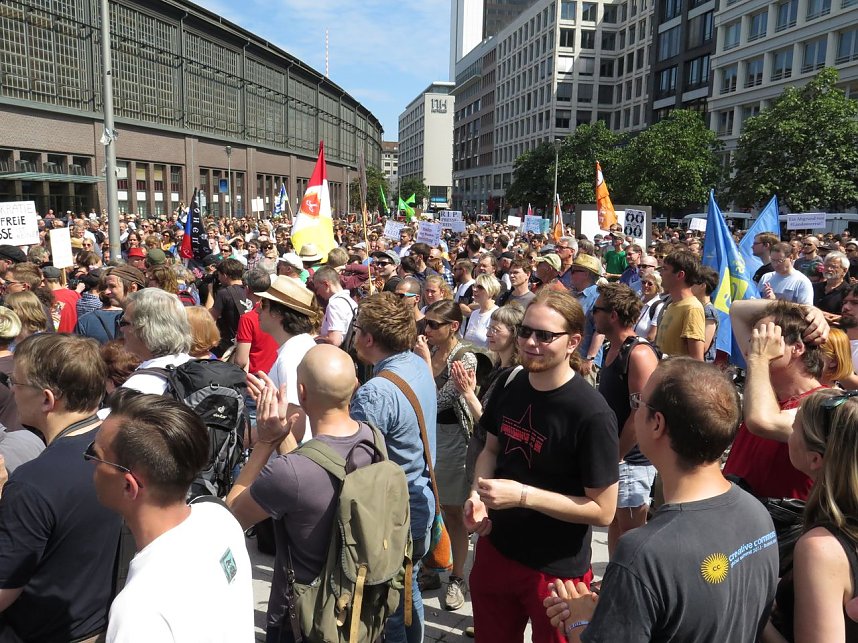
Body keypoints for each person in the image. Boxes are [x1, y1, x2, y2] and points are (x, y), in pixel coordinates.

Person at [544, 358, 779, 643]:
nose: (635, 408)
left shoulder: (643, 552)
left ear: (657, 423)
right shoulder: (756, 511)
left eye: (639, 402)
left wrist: (579, 620)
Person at [465, 289, 619, 643]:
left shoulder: (591, 414)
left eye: (545, 335)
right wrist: (478, 495)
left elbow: (603, 510)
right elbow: (490, 449)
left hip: (555, 569)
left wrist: (522, 496)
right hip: (496, 548)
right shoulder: (509, 381)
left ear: (572, 342)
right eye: (525, 331)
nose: (531, 342)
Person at [228, 345, 375, 642]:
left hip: (303, 616)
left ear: (302, 393)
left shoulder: (290, 474)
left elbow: (233, 515)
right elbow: (313, 473)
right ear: (355, 385)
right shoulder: (371, 439)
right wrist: (284, 436)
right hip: (356, 603)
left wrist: (266, 443)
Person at [92, 393, 254, 642]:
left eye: (96, 457)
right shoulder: (218, 519)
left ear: (129, 486)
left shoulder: (139, 612)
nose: (89, 464)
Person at [0, 334, 121, 641]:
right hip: (99, 623)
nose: (11, 389)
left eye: (16, 381)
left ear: (47, 399)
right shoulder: (123, 446)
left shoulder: (32, 482)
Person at [349, 292, 437, 643]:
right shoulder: (415, 362)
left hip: (394, 513)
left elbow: (356, 462)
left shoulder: (376, 392)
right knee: (407, 590)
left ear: (368, 339)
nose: (353, 335)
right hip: (421, 499)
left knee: (392, 608)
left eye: (357, 330)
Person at [759, 388, 858, 642]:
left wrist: (755, 613)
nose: (789, 433)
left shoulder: (821, 549)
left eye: (795, 427)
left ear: (815, 459)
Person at [723, 299, 827, 500]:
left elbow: (762, 421)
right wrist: (805, 310)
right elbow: (737, 310)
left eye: (765, 338)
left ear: (797, 348)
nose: (753, 346)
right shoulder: (763, 387)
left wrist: (758, 358)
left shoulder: (822, 405)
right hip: (739, 517)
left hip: (780, 528)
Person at [413, 300, 477, 611]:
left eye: (434, 325)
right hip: (427, 436)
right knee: (428, 505)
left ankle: (456, 577)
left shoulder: (465, 357)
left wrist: (424, 362)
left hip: (452, 439)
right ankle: (433, 567)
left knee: (453, 512)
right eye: (425, 323)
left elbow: (437, 401)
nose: (427, 330)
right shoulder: (430, 349)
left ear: (453, 326)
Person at [592, 283, 660, 555]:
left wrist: (616, 456)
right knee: (615, 525)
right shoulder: (612, 348)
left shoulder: (639, 354)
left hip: (631, 461)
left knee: (632, 538)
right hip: (616, 457)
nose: (592, 315)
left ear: (613, 315)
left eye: (596, 310)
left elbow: (640, 412)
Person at [252, 275, 319, 445]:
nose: (257, 310)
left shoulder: (291, 356)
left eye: (263, 305)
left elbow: (295, 424)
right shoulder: (301, 345)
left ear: (277, 313)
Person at [120, 289, 193, 395]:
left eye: (124, 322)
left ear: (145, 329)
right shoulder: (196, 368)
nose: (121, 329)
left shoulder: (141, 386)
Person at [655, 250, 706, 359]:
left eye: (665, 269)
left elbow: (697, 360)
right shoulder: (671, 305)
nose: (661, 273)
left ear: (680, 275)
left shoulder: (692, 308)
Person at [569, 254, 606, 386]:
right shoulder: (572, 294)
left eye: (574, 271)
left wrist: (590, 358)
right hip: (570, 357)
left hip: (584, 360)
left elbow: (600, 331)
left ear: (586, 274)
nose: (570, 274)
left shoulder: (597, 297)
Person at [209, 258, 252, 358]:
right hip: (248, 340)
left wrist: (210, 291)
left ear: (225, 275)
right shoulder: (250, 290)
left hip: (229, 344)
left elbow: (211, 318)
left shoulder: (224, 293)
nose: (218, 278)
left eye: (219, 275)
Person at [313, 265, 356, 347]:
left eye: (317, 288)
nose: (317, 293)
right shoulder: (350, 301)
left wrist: (316, 337)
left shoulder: (335, 304)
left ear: (326, 284)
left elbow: (334, 341)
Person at [462, 273, 500, 348]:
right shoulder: (474, 314)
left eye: (480, 287)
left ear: (491, 291)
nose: (474, 289)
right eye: (474, 286)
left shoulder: (496, 314)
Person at [692, 265, 720, 362]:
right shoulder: (695, 307)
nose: (689, 285)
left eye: (693, 282)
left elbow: (703, 347)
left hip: (700, 365)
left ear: (702, 286)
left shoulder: (709, 312)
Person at [813, 251, 850, 322]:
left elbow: (850, 318)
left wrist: (820, 314)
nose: (829, 269)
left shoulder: (848, 292)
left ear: (844, 271)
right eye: (826, 265)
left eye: (833, 266)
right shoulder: (814, 287)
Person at [634, 271, 664, 342]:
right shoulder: (637, 300)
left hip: (642, 348)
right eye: (643, 282)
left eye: (650, 284)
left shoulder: (658, 307)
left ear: (658, 287)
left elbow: (651, 337)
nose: (646, 285)